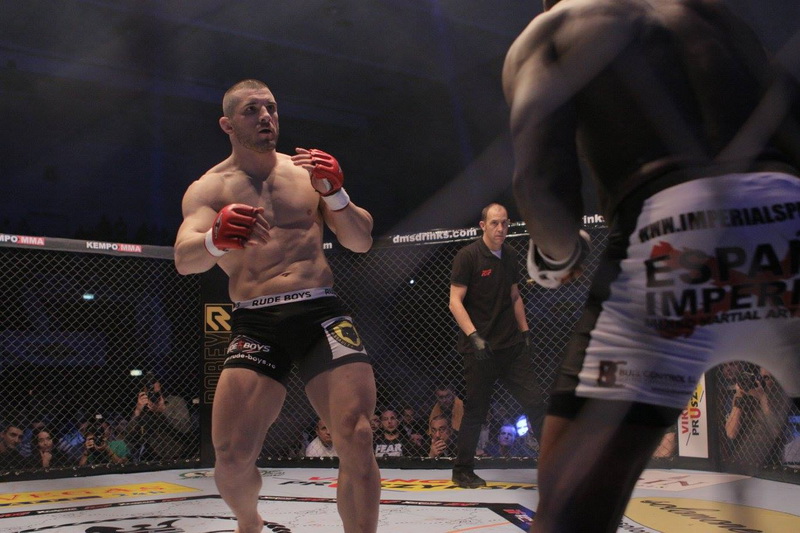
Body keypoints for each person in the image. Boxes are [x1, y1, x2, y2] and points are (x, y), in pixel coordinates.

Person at [503, 1, 800, 531]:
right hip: (789, 221)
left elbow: (539, 181)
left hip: (669, 238)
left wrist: (557, 259)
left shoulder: (556, 26)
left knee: (570, 511)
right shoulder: (716, 16)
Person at [173, 79, 379, 533]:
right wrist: (214, 238)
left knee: (358, 434)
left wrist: (336, 193)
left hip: (321, 312)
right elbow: (184, 260)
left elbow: (360, 240)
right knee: (231, 456)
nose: (266, 116)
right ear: (227, 124)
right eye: (252, 110)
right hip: (257, 321)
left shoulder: (305, 173)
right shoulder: (209, 188)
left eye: (271, 107)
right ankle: (249, 522)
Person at [448, 203, 547, 488]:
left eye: (504, 223)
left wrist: (525, 332)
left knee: (535, 402)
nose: (500, 228)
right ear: (483, 225)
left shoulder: (511, 254)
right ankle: (462, 470)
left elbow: (515, 296)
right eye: (494, 223)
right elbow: (455, 301)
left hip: (511, 345)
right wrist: (474, 336)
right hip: (479, 349)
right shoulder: (468, 256)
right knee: (476, 411)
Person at [724, 366, 790, 467]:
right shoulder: (741, 397)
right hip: (741, 461)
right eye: (759, 377)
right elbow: (731, 433)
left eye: (766, 378)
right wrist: (740, 396)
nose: (762, 381)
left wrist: (762, 398)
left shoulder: (779, 399)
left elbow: (776, 432)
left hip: (770, 463)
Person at [126, 378, 193, 461]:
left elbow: (185, 428)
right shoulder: (143, 405)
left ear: (160, 385)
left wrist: (163, 411)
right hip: (151, 455)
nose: (151, 386)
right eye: (147, 384)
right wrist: (138, 410)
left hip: (179, 453)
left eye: (153, 382)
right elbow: (129, 435)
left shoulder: (175, 401)